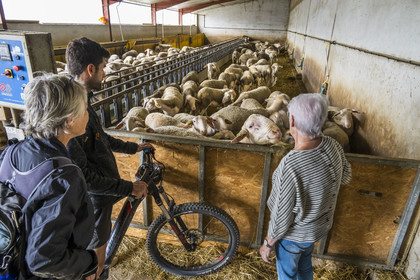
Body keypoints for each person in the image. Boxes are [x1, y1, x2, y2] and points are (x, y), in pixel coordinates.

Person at [65, 37, 154, 279]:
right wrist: (128, 187)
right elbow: (83, 176)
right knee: (96, 250)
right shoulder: (72, 113)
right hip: (92, 199)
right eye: (103, 68)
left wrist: (132, 148)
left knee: (99, 241)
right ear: (90, 69)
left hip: (100, 196)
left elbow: (100, 138)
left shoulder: (83, 101)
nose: (105, 74)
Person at [0, 74, 97, 279]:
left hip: (10, 261)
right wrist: (88, 263)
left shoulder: (11, 152)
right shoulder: (63, 176)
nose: (87, 114)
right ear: (69, 120)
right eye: (85, 109)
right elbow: (44, 260)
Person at [259, 93, 352, 280]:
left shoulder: (290, 166)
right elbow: (346, 176)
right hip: (317, 229)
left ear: (291, 121)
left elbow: (281, 215)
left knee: (288, 274)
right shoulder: (333, 144)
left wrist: (268, 244)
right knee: (304, 265)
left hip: (294, 236)